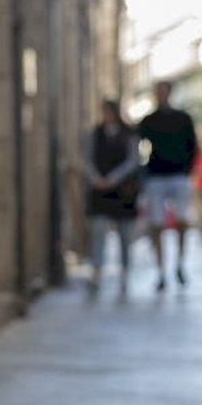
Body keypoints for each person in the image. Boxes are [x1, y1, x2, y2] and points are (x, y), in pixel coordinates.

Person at [137, 80, 199, 291]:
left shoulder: (183, 119)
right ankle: (161, 270)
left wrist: (187, 169)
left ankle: (180, 264)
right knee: (156, 224)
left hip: (178, 175)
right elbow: (138, 147)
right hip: (156, 176)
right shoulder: (148, 121)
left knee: (182, 221)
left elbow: (193, 146)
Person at [81, 98, 142, 296]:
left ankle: (124, 272)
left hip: (122, 191)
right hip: (100, 191)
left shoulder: (129, 134)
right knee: (98, 231)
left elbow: (133, 160)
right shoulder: (95, 134)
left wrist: (114, 179)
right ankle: (97, 271)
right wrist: (96, 179)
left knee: (125, 234)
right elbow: (87, 158)